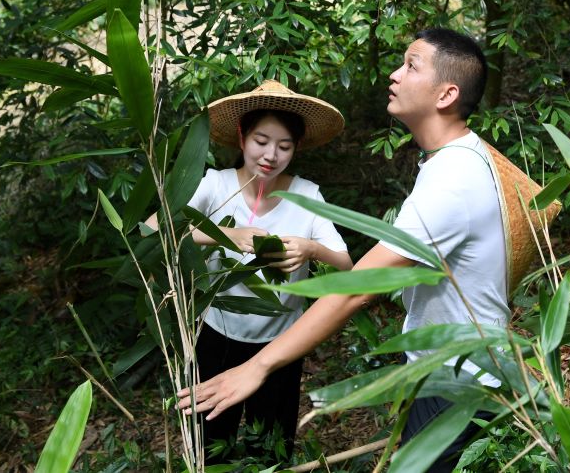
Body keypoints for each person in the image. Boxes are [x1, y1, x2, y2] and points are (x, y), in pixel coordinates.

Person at [178, 29, 507, 472]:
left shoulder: (453, 179)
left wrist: (257, 367)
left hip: (460, 382)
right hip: (450, 370)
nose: (394, 74)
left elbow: (358, 287)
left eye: (411, 65)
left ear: (447, 94)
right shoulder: (455, 161)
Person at [147, 80, 352, 461]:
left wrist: (311, 249)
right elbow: (153, 230)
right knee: (211, 442)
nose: (271, 155)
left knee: (271, 448)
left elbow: (347, 265)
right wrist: (226, 234)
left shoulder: (307, 195)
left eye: (284, 146)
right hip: (215, 333)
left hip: (279, 344)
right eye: (261, 141)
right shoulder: (214, 184)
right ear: (242, 137)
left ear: (297, 148)